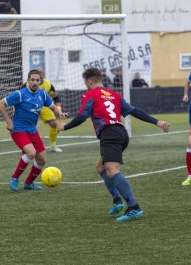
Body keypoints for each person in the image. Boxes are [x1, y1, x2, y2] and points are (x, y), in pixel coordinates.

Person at [57, 68, 170, 222]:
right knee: (100, 167)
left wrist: (64, 127)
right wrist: (157, 121)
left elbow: (83, 116)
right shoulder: (114, 95)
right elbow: (134, 111)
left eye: (85, 82)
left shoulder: (90, 94)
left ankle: (133, 206)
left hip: (110, 134)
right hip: (120, 133)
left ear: (90, 81)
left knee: (112, 170)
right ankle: (117, 200)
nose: (85, 85)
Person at [0, 69, 68, 192]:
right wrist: (8, 121)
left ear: (41, 81)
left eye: (37, 80)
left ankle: (29, 183)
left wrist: (60, 113)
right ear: (28, 81)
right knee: (31, 153)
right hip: (18, 129)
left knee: (42, 160)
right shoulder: (20, 94)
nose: (34, 82)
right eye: (32, 80)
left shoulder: (43, 94)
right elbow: (0, 104)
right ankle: (14, 178)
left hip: (32, 130)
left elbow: (52, 107)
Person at [21, 67, 64, 152]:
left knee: (54, 124)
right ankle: (26, 147)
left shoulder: (48, 84)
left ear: (43, 74)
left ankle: (53, 146)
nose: (39, 74)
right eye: (37, 72)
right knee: (29, 127)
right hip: (30, 107)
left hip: (43, 107)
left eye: (41, 72)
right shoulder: (26, 84)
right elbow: (19, 97)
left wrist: (59, 110)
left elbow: (56, 98)